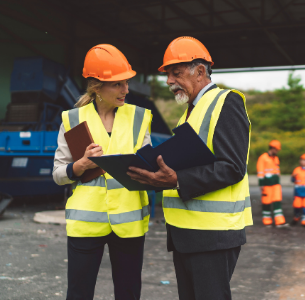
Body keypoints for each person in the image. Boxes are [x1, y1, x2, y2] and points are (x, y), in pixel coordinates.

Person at [127, 36, 252, 300]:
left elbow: (232, 167)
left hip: (213, 235)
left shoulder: (226, 102)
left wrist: (176, 180)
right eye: (168, 75)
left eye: (176, 73)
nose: (169, 81)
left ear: (200, 71)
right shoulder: (192, 110)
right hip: (186, 234)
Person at [53, 44, 152, 300]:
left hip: (129, 224)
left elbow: (148, 166)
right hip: (86, 224)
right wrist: (81, 165)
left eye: (126, 83)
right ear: (97, 86)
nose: (126, 90)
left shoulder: (139, 118)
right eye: (117, 84)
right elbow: (58, 173)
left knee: (129, 293)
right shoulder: (72, 120)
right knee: (79, 293)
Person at [256, 140, 287, 227]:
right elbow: (260, 171)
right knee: (266, 202)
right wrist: (261, 184)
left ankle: (279, 221)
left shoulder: (275, 158)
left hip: (276, 184)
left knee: (277, 201)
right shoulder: (263, 158)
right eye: (276, 149)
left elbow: (277, 170)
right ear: (272, 148)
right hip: (267, 184)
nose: (277, 151)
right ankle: (267, 221)